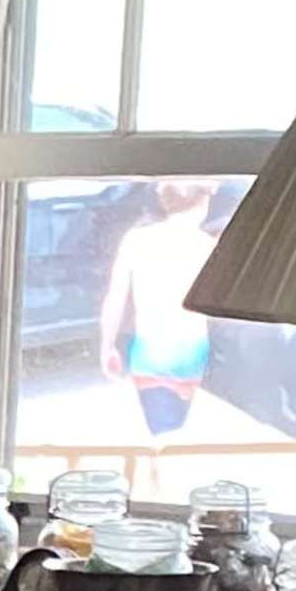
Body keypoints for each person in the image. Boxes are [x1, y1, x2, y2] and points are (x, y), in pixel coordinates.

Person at [99, 172, 221, 440]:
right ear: (202, 202)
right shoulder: (207, 246)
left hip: (149, 352)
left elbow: (115, 297)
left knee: (159, 432)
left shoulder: (136, 240)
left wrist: (107, 346)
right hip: (194, 352)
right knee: (186, 438)